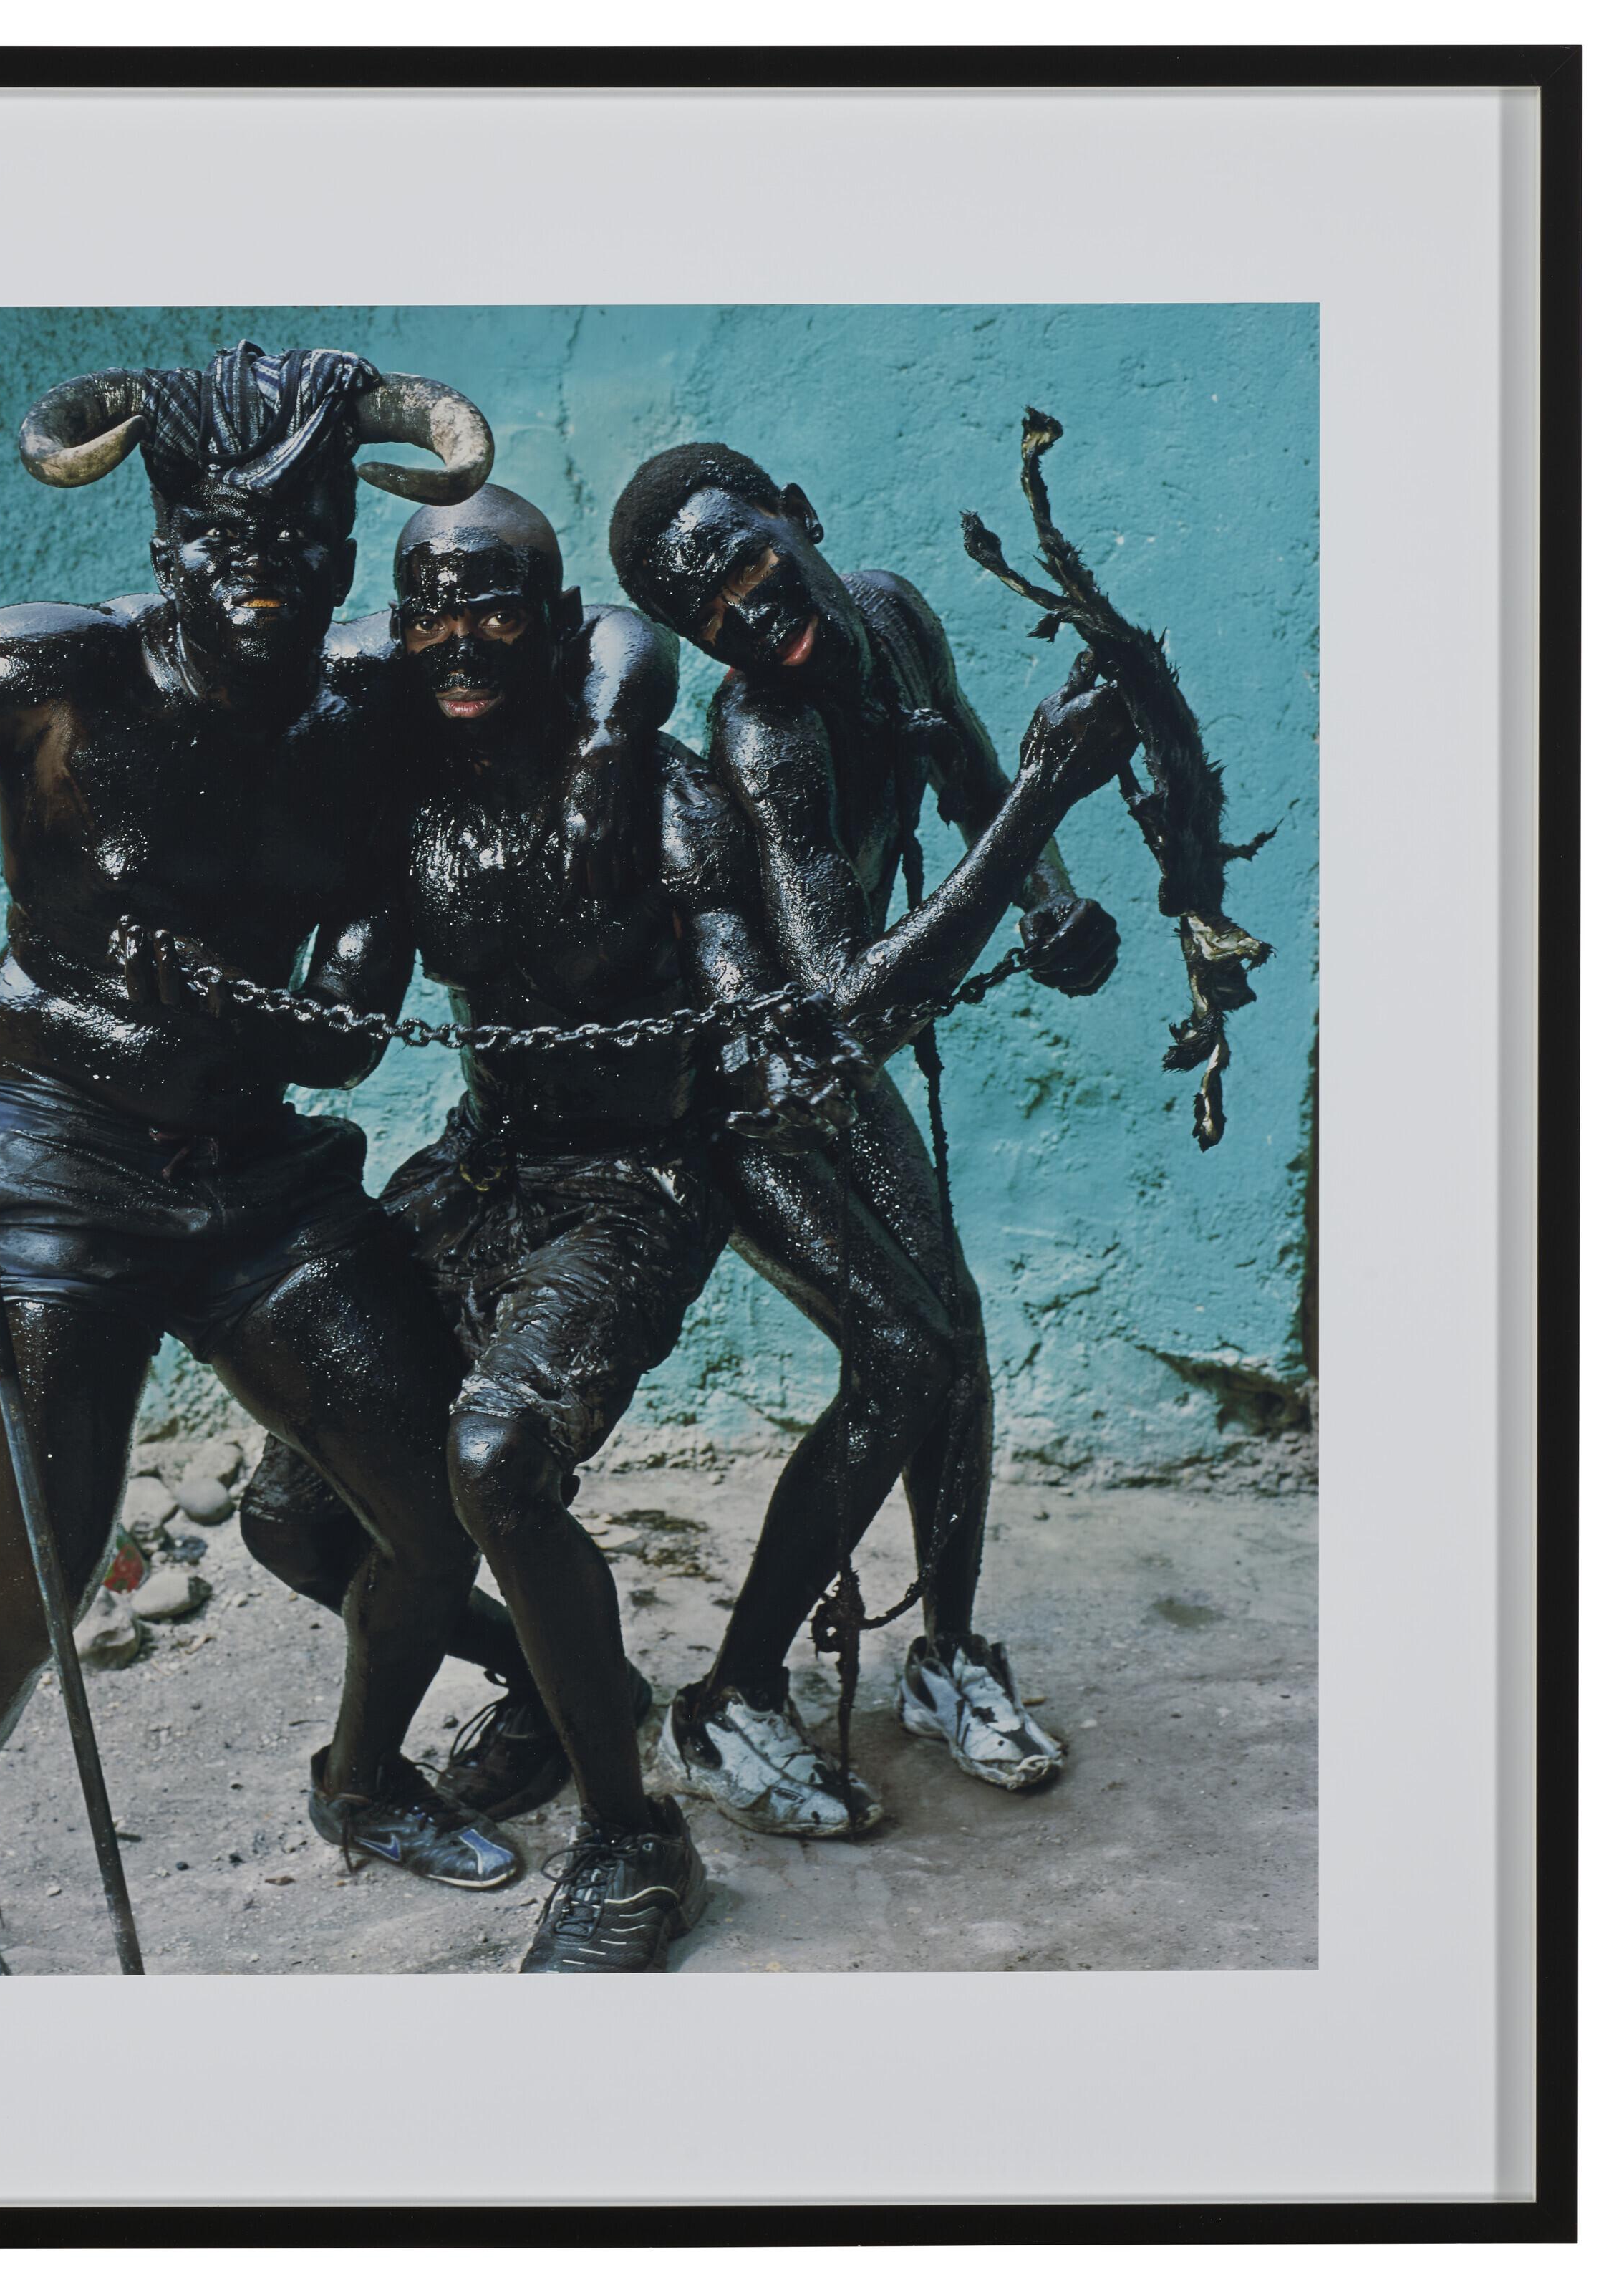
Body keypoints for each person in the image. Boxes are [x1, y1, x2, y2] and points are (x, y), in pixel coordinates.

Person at [0, 333, 662, 1974]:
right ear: (163, 542)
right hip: (55, 1173)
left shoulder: (373, 704)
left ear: (344, 549)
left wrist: (628, 708)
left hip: (254, 1173)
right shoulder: (55, 673)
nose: (259, 571)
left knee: (436, 1507)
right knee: (36, 1581)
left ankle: (360, 1780)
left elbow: (600, 641)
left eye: (296, 537)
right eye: (221, 538)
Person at [237, 483, 1127, 1965]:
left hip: (641, 1171)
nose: (458, 644)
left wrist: (787, 1018)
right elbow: (342, 1013)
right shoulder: (407, 795)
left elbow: (751, 966)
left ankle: (648, 1819)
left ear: (554, 628)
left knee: (516, 1457)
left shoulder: (678, 785)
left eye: (493, 613)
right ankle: (553, 1680)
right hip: (480, 1164)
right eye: (428, 616)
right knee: (289, 1519)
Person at [602, 441, 1136, 1834]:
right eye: (703, 609)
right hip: (739, 1094)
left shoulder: (891, 613)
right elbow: (842, 1000)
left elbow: (966, 768)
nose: (742, 607)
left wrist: (1047, 902)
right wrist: (1042, 809)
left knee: (952, 1342)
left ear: (801, 513)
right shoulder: (764, 738)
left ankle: (947, 1655)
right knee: (906, 1358)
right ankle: (730, 1698)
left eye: (746, 559)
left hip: (823, 1074)